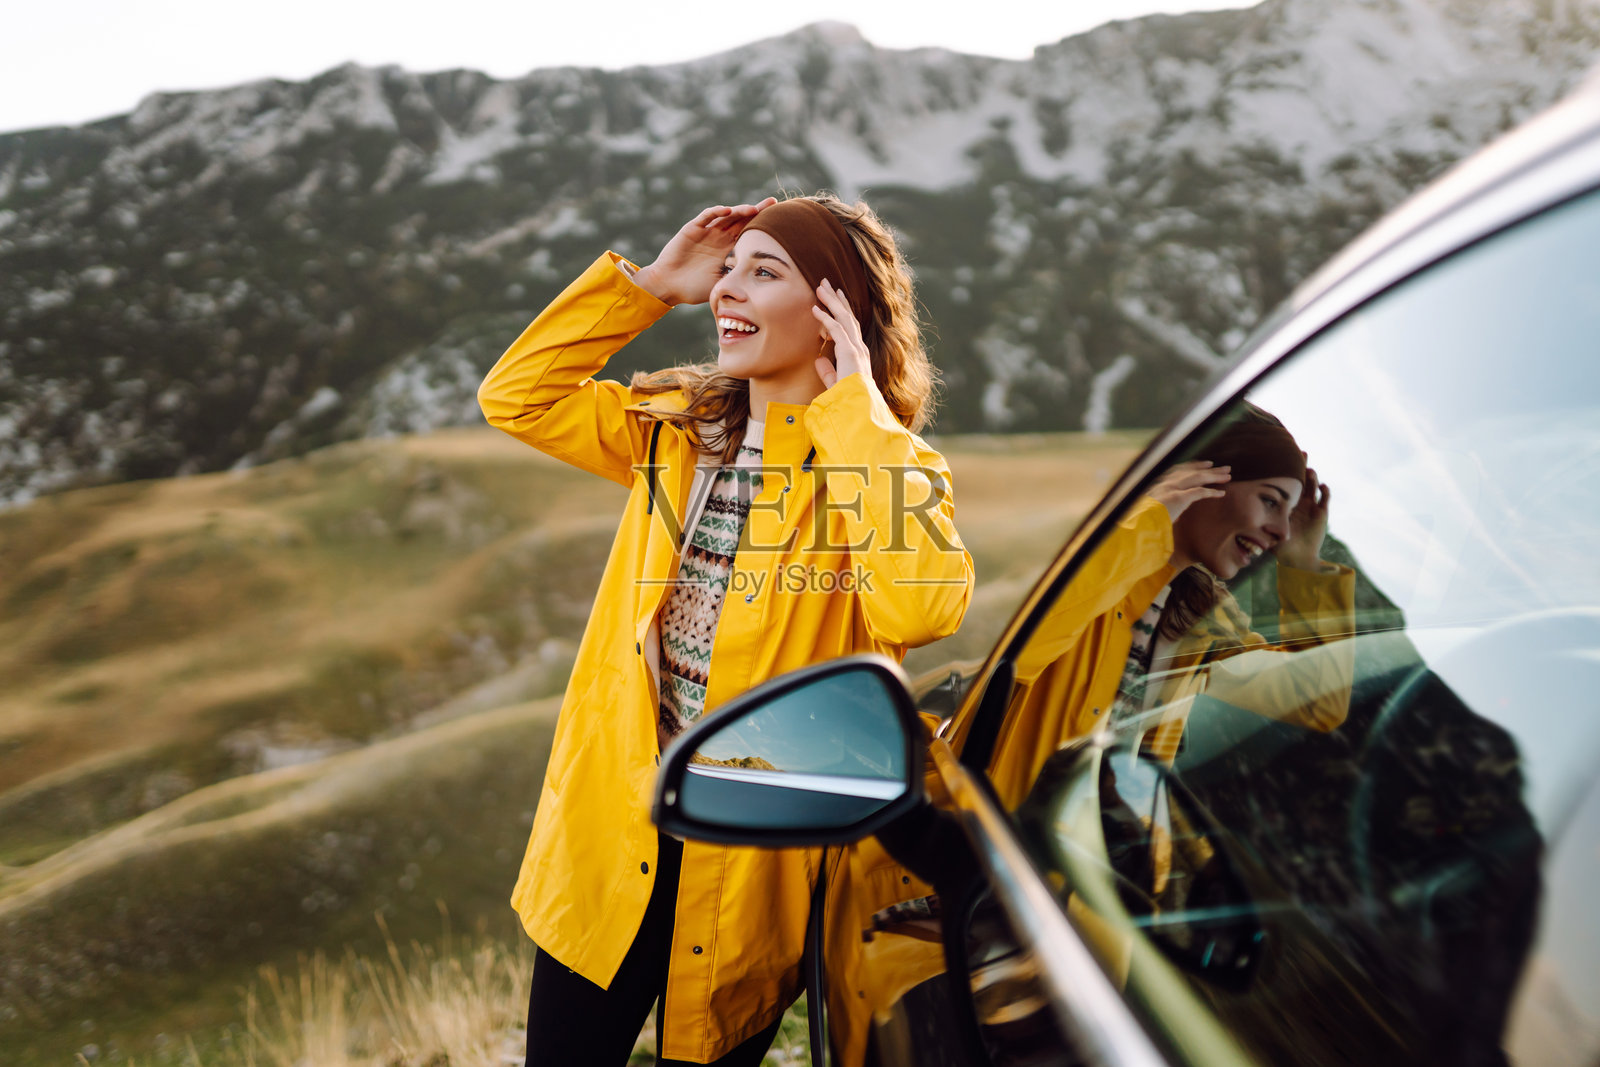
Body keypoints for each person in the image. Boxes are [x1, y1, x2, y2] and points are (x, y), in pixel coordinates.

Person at [478, 194, 974, 1065]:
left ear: (833, 315)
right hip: (612, 832)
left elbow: (921, 607)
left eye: (763, 270)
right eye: (729, 266)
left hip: (752, 859)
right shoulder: (675, 428)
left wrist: (856, 412)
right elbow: (514, 397)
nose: (725, 288)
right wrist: (648, 287)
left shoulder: (884, 465)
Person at [967, 403, 1356, 808]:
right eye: (1271, 501)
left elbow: (1317, 702)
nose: (1280, 531)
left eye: (1289, 515)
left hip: (1087, 860)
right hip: (981, 845)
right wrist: (1152, 522)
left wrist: (1304, 565)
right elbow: (1017, 651)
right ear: (1201, 477)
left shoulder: (1203, 620)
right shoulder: (1083, 552)